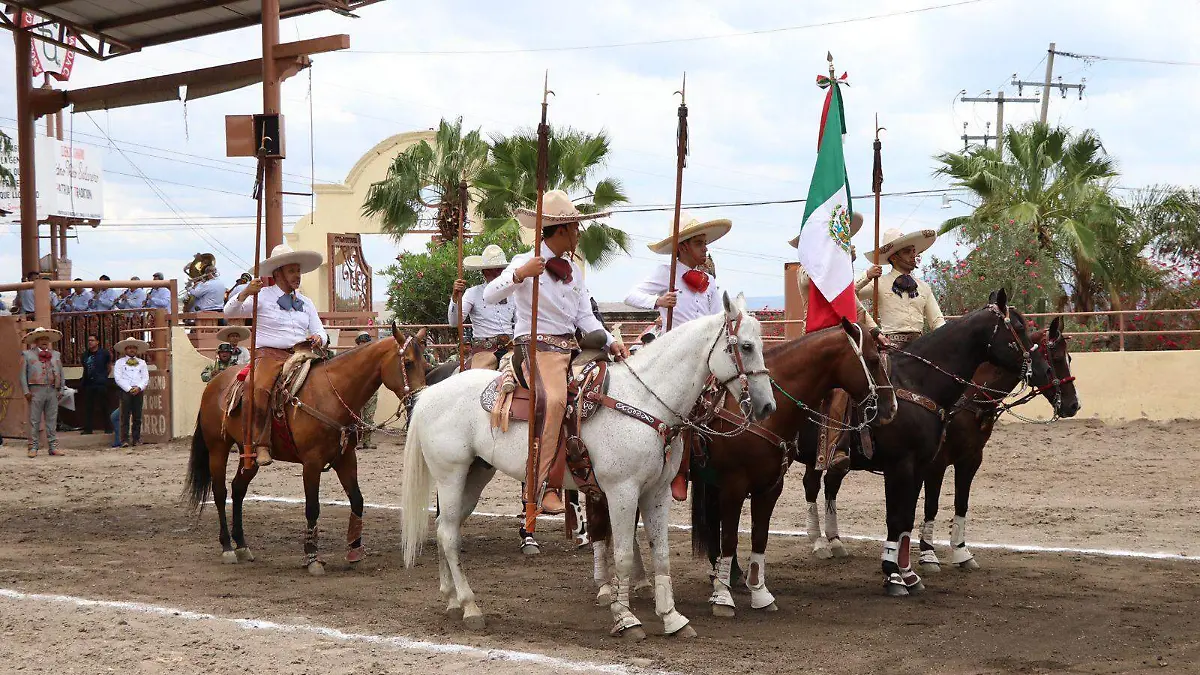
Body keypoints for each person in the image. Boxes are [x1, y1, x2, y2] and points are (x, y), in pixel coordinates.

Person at [484, 190, 627, 531]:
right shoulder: (524, 260)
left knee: (602, 389)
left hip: (569, 348)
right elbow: (490, 295)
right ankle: (543, 484)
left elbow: (585, 318)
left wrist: (611, 341)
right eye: (575, 227)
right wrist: (520, 274)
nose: (578, 234)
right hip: (535, 349)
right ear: (561, 229)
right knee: (556, 400)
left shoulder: (574, 271)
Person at [624, 213, 732, 500]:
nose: (705, 249)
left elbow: (716, 318)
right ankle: (679, 469)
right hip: (673, 355)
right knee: (681, 408)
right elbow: (630, 295)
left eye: (705, 243)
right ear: (683, 247)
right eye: (699, 243)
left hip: (704, 356)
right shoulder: (665, 273)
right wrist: (657, 301)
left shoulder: (709, 282)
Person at [790, 212, 887, 470]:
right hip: (815, 340)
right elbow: (816, 279)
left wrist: (875, 331)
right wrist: (841, 261)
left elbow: (854, 305)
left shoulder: (838, 273)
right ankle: (826, 446)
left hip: (842, 341)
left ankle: (851, 441)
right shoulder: (806, 269)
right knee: (833, 387)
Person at [224, 243, 327, 467]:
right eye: (292, 271)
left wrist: (319, 338)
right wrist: (245, 292)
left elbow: (320, 330)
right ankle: (261, 444)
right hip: (269, 355)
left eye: (298, 271)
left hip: (302, 354)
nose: (297, 275)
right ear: (278, 273)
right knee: (260, 388)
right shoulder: (260, 296)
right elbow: (229, 312)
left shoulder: (306, 302)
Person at [859, 228, 946, 349]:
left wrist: (947, 336)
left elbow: (937, 320)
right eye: (907, 252)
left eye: (913, 251)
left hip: (919, 347)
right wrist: (867, 276)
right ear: (894, 258)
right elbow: (851, 295)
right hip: (890, 346)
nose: (913, 255)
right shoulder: (879, 283)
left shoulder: (924, 287)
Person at [449, 244, 516, 370]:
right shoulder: (472, 293)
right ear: (484, 271)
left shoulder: (512, 293)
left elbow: (520, 321)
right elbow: (454, 322)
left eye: (500, 269)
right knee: (478, 377)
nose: (497, 273)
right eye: (493, 270)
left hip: (510, 348)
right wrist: (455, 297)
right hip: (483, 351)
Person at [19, 327, 65, 457]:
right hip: (35, 390)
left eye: (46, 339)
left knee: (52, 419)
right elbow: (22, 375)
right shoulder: (27, 354)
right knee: (34, 420)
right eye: (41, 339)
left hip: (52, 389)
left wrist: (61, 388)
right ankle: (33, 446)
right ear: (36, 341)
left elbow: (61, 372)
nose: (44, 341)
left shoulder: (56, 354)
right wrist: (26, 391)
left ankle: (53, 447)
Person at [113, 337, 149, 447]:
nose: (132, 350)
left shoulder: (142, 363)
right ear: (125, 350)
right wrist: (129, 388)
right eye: (129, 348)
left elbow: (145, 378)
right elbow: (118, 378)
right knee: (125, 416)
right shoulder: (119, 363)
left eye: (134, 348)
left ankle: (136, 439)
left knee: (137, 416)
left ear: (136, 350)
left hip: (138, 390)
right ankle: (124, 440)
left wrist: (139, 387)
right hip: (125, 391)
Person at [79, 334, 113, 435]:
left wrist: (103, 377)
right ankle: (88, 429)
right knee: (88, 407)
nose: (90, 342)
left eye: (92, 340)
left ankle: (108, 428)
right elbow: (85, 367)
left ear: (97, 342)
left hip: (101, 383)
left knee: (104, 406)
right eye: (89, 340)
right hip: (88, 383)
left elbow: (109, 367)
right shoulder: (85, 355)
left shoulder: (104, 353)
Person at [354, 331, 379, 449]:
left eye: (366, 342)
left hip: (370, 390)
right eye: (362, 342)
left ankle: (367, 441)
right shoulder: (353, 356)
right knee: (357, 417)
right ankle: (357, 441)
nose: (364, 344)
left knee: (369, 416)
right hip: (357, 390)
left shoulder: (373, 357)